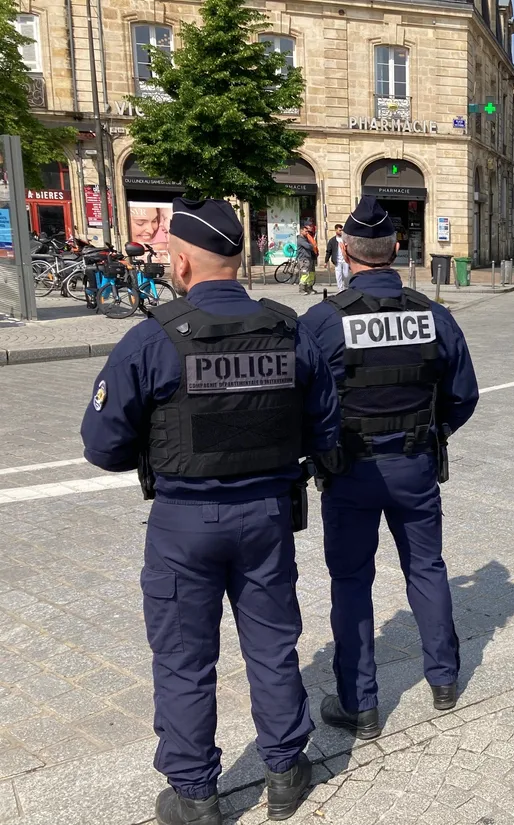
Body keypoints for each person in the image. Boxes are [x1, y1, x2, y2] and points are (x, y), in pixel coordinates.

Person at [80, 198, 342, 825]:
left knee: (183, 656)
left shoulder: (152, 337)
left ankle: (195, 793)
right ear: (239, 257)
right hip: (268, 516)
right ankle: (284, 770)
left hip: (184, 524)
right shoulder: (291, 328)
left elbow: (103, 445)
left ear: (181, 261)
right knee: (273, 645)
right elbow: (326, 426)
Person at [300, 196, 480, 739]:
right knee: (427, 568)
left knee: (352, 580)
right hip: (415, 463)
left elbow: (299, 401)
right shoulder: (433, 315)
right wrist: (430, 432)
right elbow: (464, 395)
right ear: (397, 250)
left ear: (345, 251)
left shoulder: (322, 322)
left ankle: (361, 705)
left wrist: (322, 445)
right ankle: (444, 680)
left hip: (349, 470)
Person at [325, 224, 350, 290]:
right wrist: (326, 261)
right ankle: (340, 289)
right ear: (336, 230)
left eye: (342, 230)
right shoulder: (332, 241)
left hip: (345, 259)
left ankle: (346, 288)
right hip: (337, 260)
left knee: (346, 275)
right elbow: (328, 251)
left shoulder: (345, 239)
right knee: (339, 276)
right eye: (339, 230)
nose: (341, 231)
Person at [297, 221, 318, 294]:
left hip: (309, 258)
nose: (307, 233)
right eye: (305, 231)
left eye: (307, 231)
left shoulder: (306, 238)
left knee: (311, 274)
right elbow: (308, 246)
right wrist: (313, 245)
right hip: (304, 259)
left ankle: (309, 287)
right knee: (305, 274)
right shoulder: (300, 239)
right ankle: (302, 289)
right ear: (301, 231)